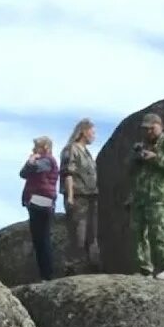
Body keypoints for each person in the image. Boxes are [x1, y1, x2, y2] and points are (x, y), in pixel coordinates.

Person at [129, 112, 164, 281]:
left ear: (160, 126)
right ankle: (143, 268)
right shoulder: (143, 145)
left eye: (152, 128)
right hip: (140, 196)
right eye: (146, 129)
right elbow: (133, 173)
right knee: (138, 232)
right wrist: (137, 158)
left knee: (160, 231)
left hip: (159, 196)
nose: (149, 132)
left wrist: (155, 158)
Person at [59, 118, 100, 275]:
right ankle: (73, 267)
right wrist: (70, 196)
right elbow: (68, 173)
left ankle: (90, 265)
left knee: (91, 233)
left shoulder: (87, 153)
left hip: (91, 196)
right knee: (78, 234)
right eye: (92, 132)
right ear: (84, 131)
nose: (94, 136)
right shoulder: (71, 149)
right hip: (77, 196)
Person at [20, 136, 59, 281]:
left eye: (36, 147)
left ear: (45, 148)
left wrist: (31, 161)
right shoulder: (42, 160)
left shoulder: (48, 160)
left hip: (42, 201)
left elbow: (33, 168)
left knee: (42, 239)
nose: (33, 150)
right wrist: (30, 162)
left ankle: (47, 274)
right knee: (38, 239)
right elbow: (23, 174)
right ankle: (45, 274)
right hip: (36, 201)